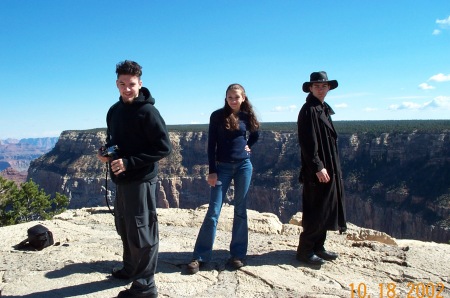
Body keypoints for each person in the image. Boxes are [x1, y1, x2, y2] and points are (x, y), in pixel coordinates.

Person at [97, 60, 172, 298]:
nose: (127, 89)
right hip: (121, 179)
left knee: (142, 231)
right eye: (122, 84)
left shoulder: (148, 112)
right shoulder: (114, 110)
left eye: (131, 84)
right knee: (125, 226)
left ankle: (145, 285)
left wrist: (129, 162)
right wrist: (107, 154)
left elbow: (163, 148)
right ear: (116, 84)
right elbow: (115, 140)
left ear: (140, 83)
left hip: (141, 179)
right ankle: (130, 268)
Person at [187, 83, 260, 274]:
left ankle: (238, 254)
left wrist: (248, 146)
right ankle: (200, 256)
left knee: (240, 209)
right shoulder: (217, 116)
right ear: (226, 98)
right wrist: (212, 170)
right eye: (230, 97)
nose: (233, 100)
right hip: (222, 168)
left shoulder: (248, 116)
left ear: (243, 97)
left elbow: (256, 133)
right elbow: (211, 145)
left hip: (244, 166)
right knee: (213, 210)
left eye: (236, 97)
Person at [296, 71, 347, 266]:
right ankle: (305, 250)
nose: (320, 88)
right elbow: (307, 142)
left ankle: (318, 247)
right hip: (317, 169)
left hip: (329, 166)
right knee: (316, 208)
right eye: (316, 85)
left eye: (324, 85)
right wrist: (318, 166)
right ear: (310, 88)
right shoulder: (309, 109)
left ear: (328, 88)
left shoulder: (322, 108)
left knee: (326, 207)